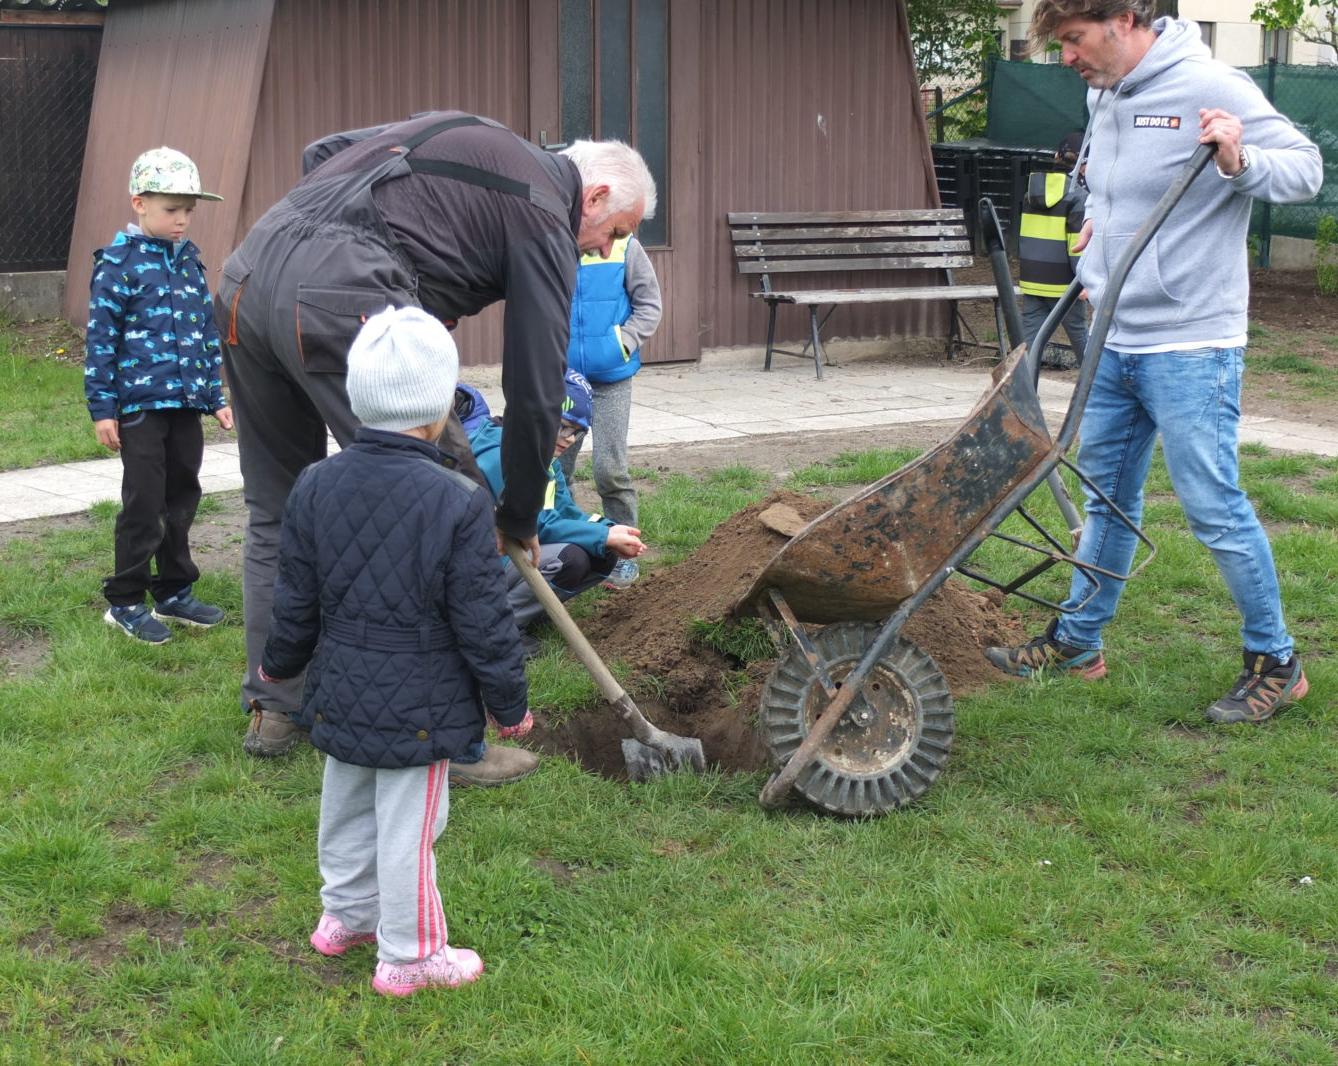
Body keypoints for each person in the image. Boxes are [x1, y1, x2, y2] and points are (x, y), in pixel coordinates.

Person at [215, 111, 655, 760]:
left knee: (276, 514)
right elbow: (539, 387)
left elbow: (323, 146)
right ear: (591, 198)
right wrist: (518, 513)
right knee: (444, 510)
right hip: (337, 300)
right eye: (611, 233)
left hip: (245, 280)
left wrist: (378, 265)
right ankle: (442, 736)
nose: (598, 250)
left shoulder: (470, 131)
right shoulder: (542, 211)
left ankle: (274, 714)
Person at [986, 2, 1322, 725]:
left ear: (1125, 20)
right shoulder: (1104, 94)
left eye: (1074, 40)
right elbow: (1113, 192)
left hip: (1191, 341)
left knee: (1212, 506)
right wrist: (1096, 234)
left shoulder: (1211, 83)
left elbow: (1306, 171)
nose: (1067, 57)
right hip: (1113, 334)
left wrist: (1240, 158)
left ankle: (1276, 660)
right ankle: (1078, 642)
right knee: (1106, 498)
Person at [259, 307, 536, 996]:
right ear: (440, 406)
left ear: (358, 396)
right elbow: (483, 619)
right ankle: (411, 954)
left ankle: (345, 917)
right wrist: (510, 705)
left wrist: (279, 665)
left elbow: (294, 595)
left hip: (339, 688)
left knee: (346, 803)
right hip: (424, 704)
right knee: (411, 829)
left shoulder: (316, 484)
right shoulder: (460, 499)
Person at [85, 146, 234, 644]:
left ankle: (173, 591)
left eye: (189, 210)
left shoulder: (190, 261)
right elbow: (101, 340)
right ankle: (125, 600)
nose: (182, 220)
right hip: (140, 407)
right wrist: (103, 409)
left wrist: (215, 395)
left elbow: (204, 333)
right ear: (139, 203)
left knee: (182, 496)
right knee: (144, 502)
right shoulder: (118, 264)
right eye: (172, 209)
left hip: (186, 404)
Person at [472, 370, 647, 646]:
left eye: (577, 433)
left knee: (602, 554)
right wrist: (602, 537)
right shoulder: (502, 455)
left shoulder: (543, 458)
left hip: (509, 556)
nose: (568, 439)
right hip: (481, 564)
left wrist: (606, 529)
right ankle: (494, 627)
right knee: (570, 558)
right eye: (562, 426)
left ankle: (528, 613)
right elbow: (533, 523)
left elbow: (565, 511)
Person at [555, 232, 663, 588]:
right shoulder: (554, 241)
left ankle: (622, 554)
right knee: (558, 469)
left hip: (612, 379)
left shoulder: (626, 246)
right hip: (566, 380)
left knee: (610, 469)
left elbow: (650, 303)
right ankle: (568, 545)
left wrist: (624, 343)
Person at [1019, 131, 1089, 370]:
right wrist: (1084, 281)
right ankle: (1093, 390)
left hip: (1033, 279)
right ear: (1082, 166)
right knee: (1080, 337)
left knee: (1029, 343)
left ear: (1056, 156)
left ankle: (1023, 396)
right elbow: (1075, 246)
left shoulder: (1032, 191)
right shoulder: (1077, 197)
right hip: (1064, 285)